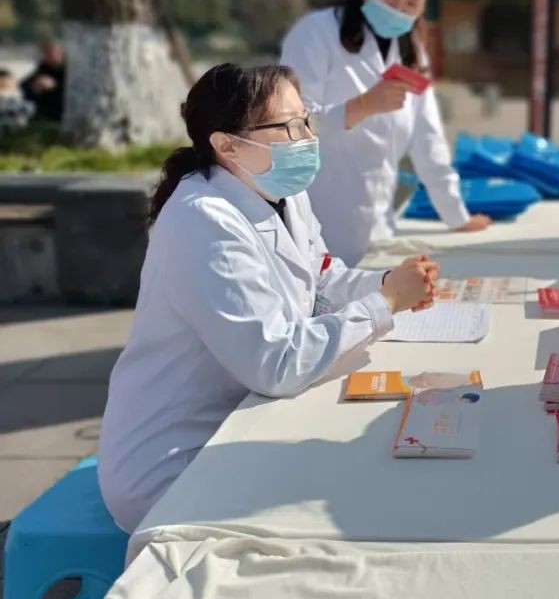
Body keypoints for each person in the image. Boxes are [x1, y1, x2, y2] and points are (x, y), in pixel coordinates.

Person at [98, 63, 439, 532]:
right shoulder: (203, 222)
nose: (306, 138)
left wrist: (387, 283)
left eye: (306, 121)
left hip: (246, 417)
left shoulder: (281, 193)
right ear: (227, 144)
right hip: (178, 462)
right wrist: (385, 305)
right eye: (287, 126)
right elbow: (276, 364)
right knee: (361, 497)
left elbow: (322, 277)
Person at [281, 0, 490, 265]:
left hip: (379, 228)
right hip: (318, 220)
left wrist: (455, 215)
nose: (397, 9)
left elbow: (428, 138)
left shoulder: (412, 53)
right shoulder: (316, 34)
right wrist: (361, 106)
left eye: (411, 3)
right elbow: (289, 127)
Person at [20, 39, 65, 123]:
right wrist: (35, 85)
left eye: (51, 53)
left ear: (61, 53)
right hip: (44, 111)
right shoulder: (44, 67)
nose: (48, 56)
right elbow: (23, 84)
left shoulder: (69, 69)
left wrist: (54, 86)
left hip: (63, 109)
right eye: (45, 54)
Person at [0, 68, 35, 135]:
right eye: (2, 86)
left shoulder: (20, 100)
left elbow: (28, 110)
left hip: (16, 130)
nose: (4, 89)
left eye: (6, 85)